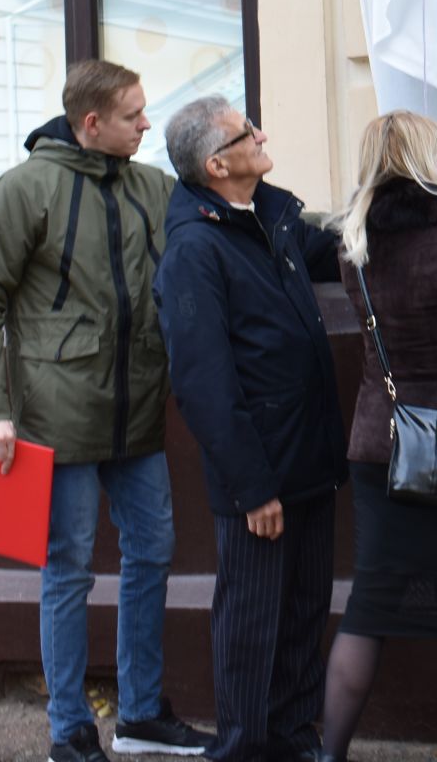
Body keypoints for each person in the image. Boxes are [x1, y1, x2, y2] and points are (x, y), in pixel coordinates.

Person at [0, 60, 212, 762]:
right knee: (67, 569)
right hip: (52, 418)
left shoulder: (153, 186)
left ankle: (141, 714)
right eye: (134, 115)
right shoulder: (25, 189)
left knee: (153, 553)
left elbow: (222, 215)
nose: (147, 125)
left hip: (138, 416)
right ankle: (69, 728)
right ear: (92, 122)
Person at [155, 96, 345, 762]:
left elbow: (343, 245)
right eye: (247, 132)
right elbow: (202, 383)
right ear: (217, 163)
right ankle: (244, 748)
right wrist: (252, 488)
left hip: (311, 460)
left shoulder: (274, 217)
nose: (261, 136)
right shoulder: (195, 252)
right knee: (252, 625)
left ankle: (294, 737)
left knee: (302, 615)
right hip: (260, 476)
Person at [319, 112, 437, 762]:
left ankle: (330, 752)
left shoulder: (353, 245)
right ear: (427, 161)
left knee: (369, 605)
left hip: (379, 441)